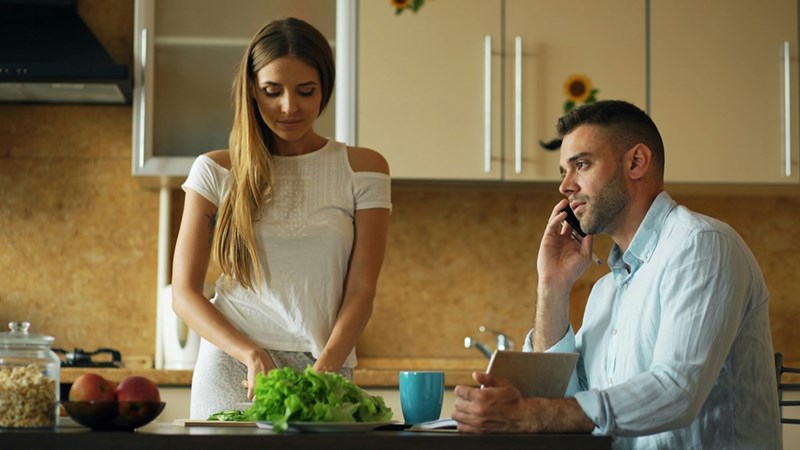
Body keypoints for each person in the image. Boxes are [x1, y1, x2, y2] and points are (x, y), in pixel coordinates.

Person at [452, 100, 781, 449]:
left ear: (636, 162)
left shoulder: (701, 245)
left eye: (581, 164)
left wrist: (529, 414)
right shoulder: (605, 291)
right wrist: (552, 288)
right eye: (563, 171)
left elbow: (677, 389)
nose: (565, 186)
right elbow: (564, 404)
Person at [171, 17, 391, 419]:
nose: (290, 106)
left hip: (326, 365)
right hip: (234, 367)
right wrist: (251, 354)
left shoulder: (363, 168)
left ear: (324, 89)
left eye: (306, 91)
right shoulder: (215, 171)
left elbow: (361, 289)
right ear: (253, 90)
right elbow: (183, 294)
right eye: (273, 91)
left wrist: (324, 373)